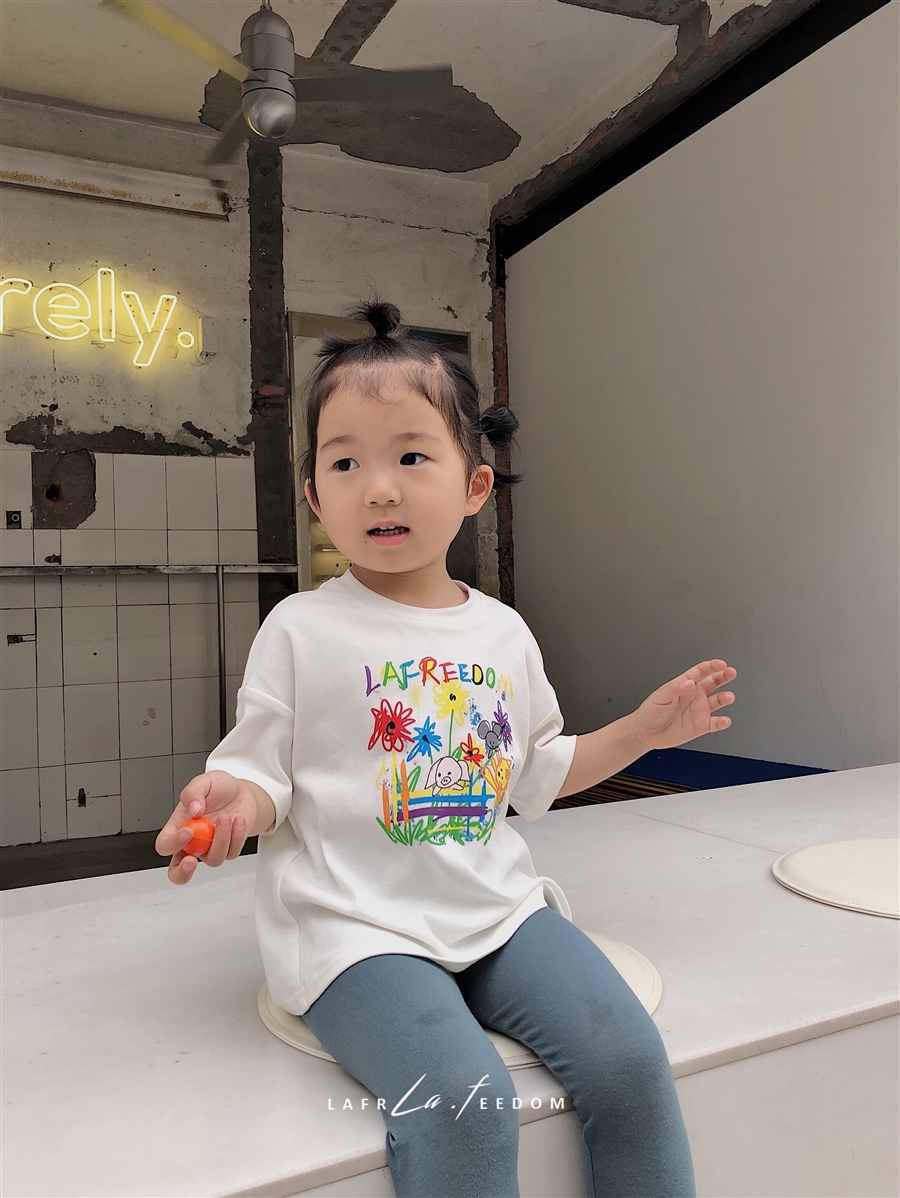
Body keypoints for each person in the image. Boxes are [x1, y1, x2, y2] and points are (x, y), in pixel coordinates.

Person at [156, 299, 737, 1198]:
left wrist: (641, 733)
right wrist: (234, 800)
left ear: (475, 486)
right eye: (344, 462)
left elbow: (536, 775)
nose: (378, 488)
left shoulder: (503, 632)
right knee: (465, 1101)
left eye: (411, 456)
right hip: (356, 933)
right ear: (314, 496)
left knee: (629, 1062)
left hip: (496, 914)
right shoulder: (300, 629)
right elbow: (260, 771)